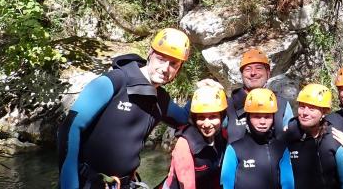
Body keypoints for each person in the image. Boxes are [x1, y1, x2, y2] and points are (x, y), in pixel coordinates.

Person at [57, 28, 192, 189]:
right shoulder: (114, 82)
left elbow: (184, 118)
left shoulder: (160, 99)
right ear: (150, 53)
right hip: (89, 183)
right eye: (161, 59)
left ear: (179, 68)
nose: (165, 68)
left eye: (173, 64)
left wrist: (206, 90)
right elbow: (69, 129)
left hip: (125, 184)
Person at [220, 88, 294, 189]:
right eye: (257, 116)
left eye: (267, 117)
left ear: (273, 118)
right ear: (248, 117)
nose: (262, 121)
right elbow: (226, 185)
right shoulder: (234, 149)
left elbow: (288, 184)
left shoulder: (281, 149)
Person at [283, 84, 343, 189]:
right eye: (302, 106)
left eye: (312, 108)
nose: (305, 113)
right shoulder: (289, 137)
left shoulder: (332, 138)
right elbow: (285, 180)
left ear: (324, 112)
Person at [160, 86, 228, 189]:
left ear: (222, 117)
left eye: (213, 117)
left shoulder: (222, 136)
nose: (206, 124)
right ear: (194, 119)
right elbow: (187, 184)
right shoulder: (185, 143)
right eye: (201, 117)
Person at [224, 48, 293, 143]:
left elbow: (293, 138)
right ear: (242, 75)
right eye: (248, 69)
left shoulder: (281, 104)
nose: (253, 73)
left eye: (258, 68)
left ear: (268, 73)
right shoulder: (229, 105)